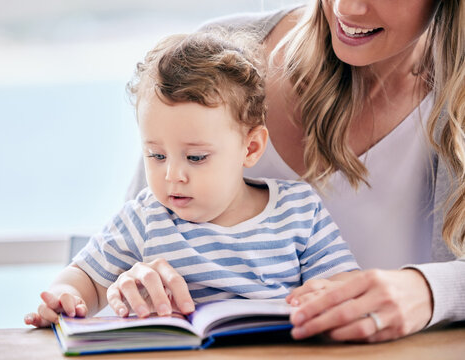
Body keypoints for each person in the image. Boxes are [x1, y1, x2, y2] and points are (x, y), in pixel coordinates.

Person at [112, 0, 465, 343]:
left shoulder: (454, 100)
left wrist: (430, 291)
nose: (346, 8)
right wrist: (128, 277)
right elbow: (126, 239)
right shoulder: (215, 62)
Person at [24, 30, 359, 328]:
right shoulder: (145, 217)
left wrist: (331, 294)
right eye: (156, 155)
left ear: (251, 147)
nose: (172, 175)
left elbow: (346, 286)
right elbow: (84, 277)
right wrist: (63, 295)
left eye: (196, 157)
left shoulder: (299, 210)